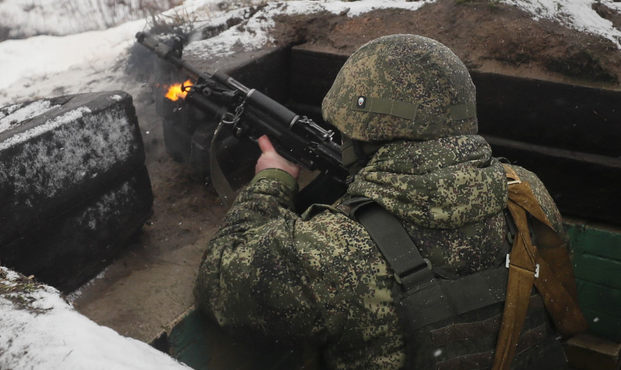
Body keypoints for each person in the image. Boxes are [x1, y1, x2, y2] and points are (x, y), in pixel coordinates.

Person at [194, 34, 582, 369]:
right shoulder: (527, 193)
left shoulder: (333, 249)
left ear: (360, 131)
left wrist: (271, 182)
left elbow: (218, 283)